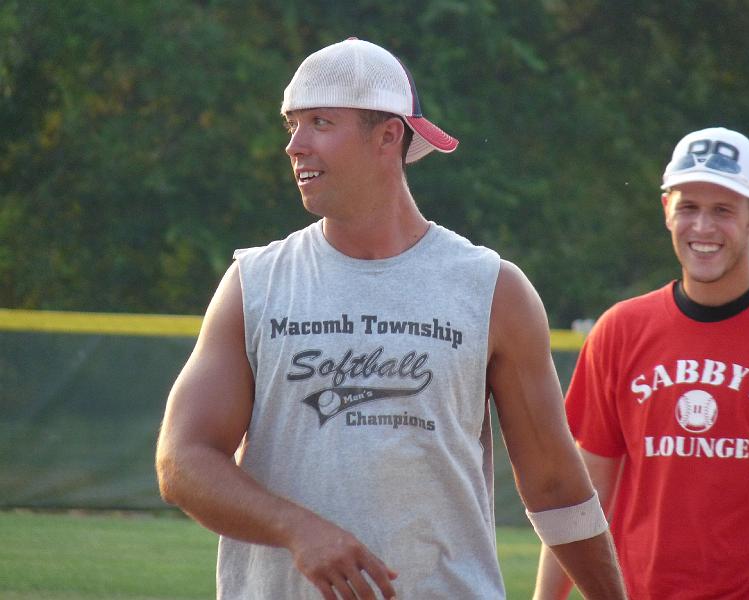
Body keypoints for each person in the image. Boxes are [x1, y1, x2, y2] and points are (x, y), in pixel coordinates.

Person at [155, 38, 625, 600]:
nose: (294, 145)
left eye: (320, 122)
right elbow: (182, 461)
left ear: (387, 136)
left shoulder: (493, 289)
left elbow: (555, 487)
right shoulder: (254, 283)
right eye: (292, 124)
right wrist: (297, 528)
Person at [535, 126, 749, 599]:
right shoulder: (621, 331)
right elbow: (584, 497)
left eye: (723, 210)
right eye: (689, 207)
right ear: (666, 210)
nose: (703, 227)